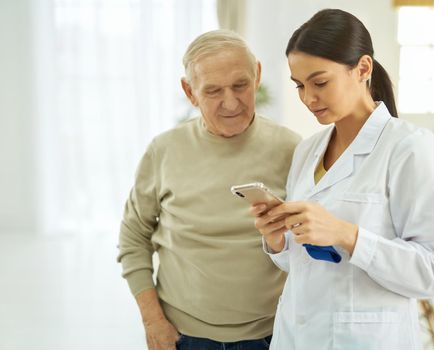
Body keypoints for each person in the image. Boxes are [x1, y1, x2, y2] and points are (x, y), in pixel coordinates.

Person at [251, 9, 434, 350]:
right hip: (296, 335)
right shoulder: (307, 151)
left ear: (362, 69)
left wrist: (348, 235)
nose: (307, 98)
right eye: (300, 86)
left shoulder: (410, 149)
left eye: (320, 83)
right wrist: (278, 241)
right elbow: (303, 263)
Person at [117, 30, 301, 350]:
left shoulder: (292, 149)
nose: (230, 102)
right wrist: (153, 321)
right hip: (183, 335)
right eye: (213, 91)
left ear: (257, 75)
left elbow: (308, 246)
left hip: (274, 334)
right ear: (190, 91)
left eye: (240, 85)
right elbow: (133, 238)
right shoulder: (164, 151)